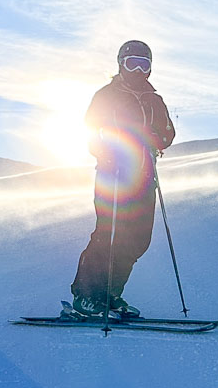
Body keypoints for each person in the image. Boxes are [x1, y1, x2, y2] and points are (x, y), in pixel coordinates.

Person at [69, 40, 175, 318]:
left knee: (138, 239)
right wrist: (105, 151)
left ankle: (110, 294)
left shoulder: (155, 100)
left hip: (143, 177)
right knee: (109, 233)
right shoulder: (106, 95)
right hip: (112, 175)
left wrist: (155, 139)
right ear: (120, 64)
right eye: (133, 63)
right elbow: (91, 130)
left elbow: (168, 134)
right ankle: (86, 296)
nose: (138, 70)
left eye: (144, 64)